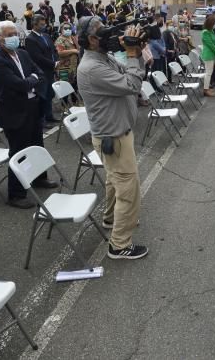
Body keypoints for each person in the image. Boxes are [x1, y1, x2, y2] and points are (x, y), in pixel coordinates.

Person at [75, 16, 149, 260]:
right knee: (128, 190)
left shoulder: (102, 58)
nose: (109, 35)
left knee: (114, 181)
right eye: (103, 32)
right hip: (114, 138)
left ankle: (110, 218)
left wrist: (135, 51)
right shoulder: (91, 68)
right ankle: (119, 245)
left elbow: (130, 71)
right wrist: (130, 54)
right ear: (92, 39)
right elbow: (131, 84)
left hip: (115, 136)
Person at [0, 21, 58, 209]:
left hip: (32, 106)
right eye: (9, 34)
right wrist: (31, 81)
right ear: (0, 38)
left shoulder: (22, 53)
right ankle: (16, 194)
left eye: (15, 33)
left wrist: (31, 80)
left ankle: (38, 178)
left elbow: (39, 74)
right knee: (19, 152)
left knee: (37, 145)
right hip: (15, 112)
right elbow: (18, 85)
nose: (14, 37)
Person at [24, 15, 60, 126]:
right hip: (42, 71)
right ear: (34, 25)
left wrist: (57, 60)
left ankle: (49, 116)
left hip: (50, 70)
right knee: (42, 95)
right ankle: (42, 120)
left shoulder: (46, 35)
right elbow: (37, 57)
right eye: (42, 24)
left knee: (49, 94)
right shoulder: (30, 39)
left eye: (44, 23)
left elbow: (53, 50)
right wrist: (53, 63)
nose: (44, 26)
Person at [200, 15, 215, 97]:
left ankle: (207, 87)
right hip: (208, 55)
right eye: (213, 23)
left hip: (212, 54)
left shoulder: (211, 31)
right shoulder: (205, 33)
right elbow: (210, 45)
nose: (214, 25)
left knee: (210, 72)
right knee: (208, 73)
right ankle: (205, 90)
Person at [55, 21, 80, 86]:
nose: (68, 30)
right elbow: (60, 52)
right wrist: (73, 50)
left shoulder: (72, 38)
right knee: (64, 89)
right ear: (61, 30)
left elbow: (79, 49)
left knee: (74, 88)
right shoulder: (60, 40)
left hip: (74, 68)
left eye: (69, 28)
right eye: (65, 28)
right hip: (64, 68)